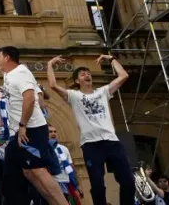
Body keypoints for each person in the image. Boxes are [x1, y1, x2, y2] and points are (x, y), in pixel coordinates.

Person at [0, 29, 66, 205]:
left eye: (0, 57)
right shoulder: (9, 74)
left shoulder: (21, 73)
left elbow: (29, 99)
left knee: (37, 171)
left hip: (31, 129)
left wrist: (23, 125)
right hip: (18, 134)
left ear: (7, 58)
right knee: (26, 173)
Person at [47, 54, 133, 205]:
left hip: (111, 142)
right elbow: (53, 85)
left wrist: (111, 59)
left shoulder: (103, 92)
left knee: (128, 181)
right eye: (83, 74)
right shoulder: (74, 96)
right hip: (91, 145)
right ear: (76, 81)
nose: (87, 75)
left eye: (88, 73)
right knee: (98, 184)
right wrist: (50, 64)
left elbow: (123, 75)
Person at [48, 125, 79, 203]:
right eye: (50, 132)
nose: (53, 133)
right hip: (51, 183)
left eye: (55, 131)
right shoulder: (43, 148)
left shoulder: (64, 148)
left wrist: (76, 185)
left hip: (65, 183)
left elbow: (70, 167)